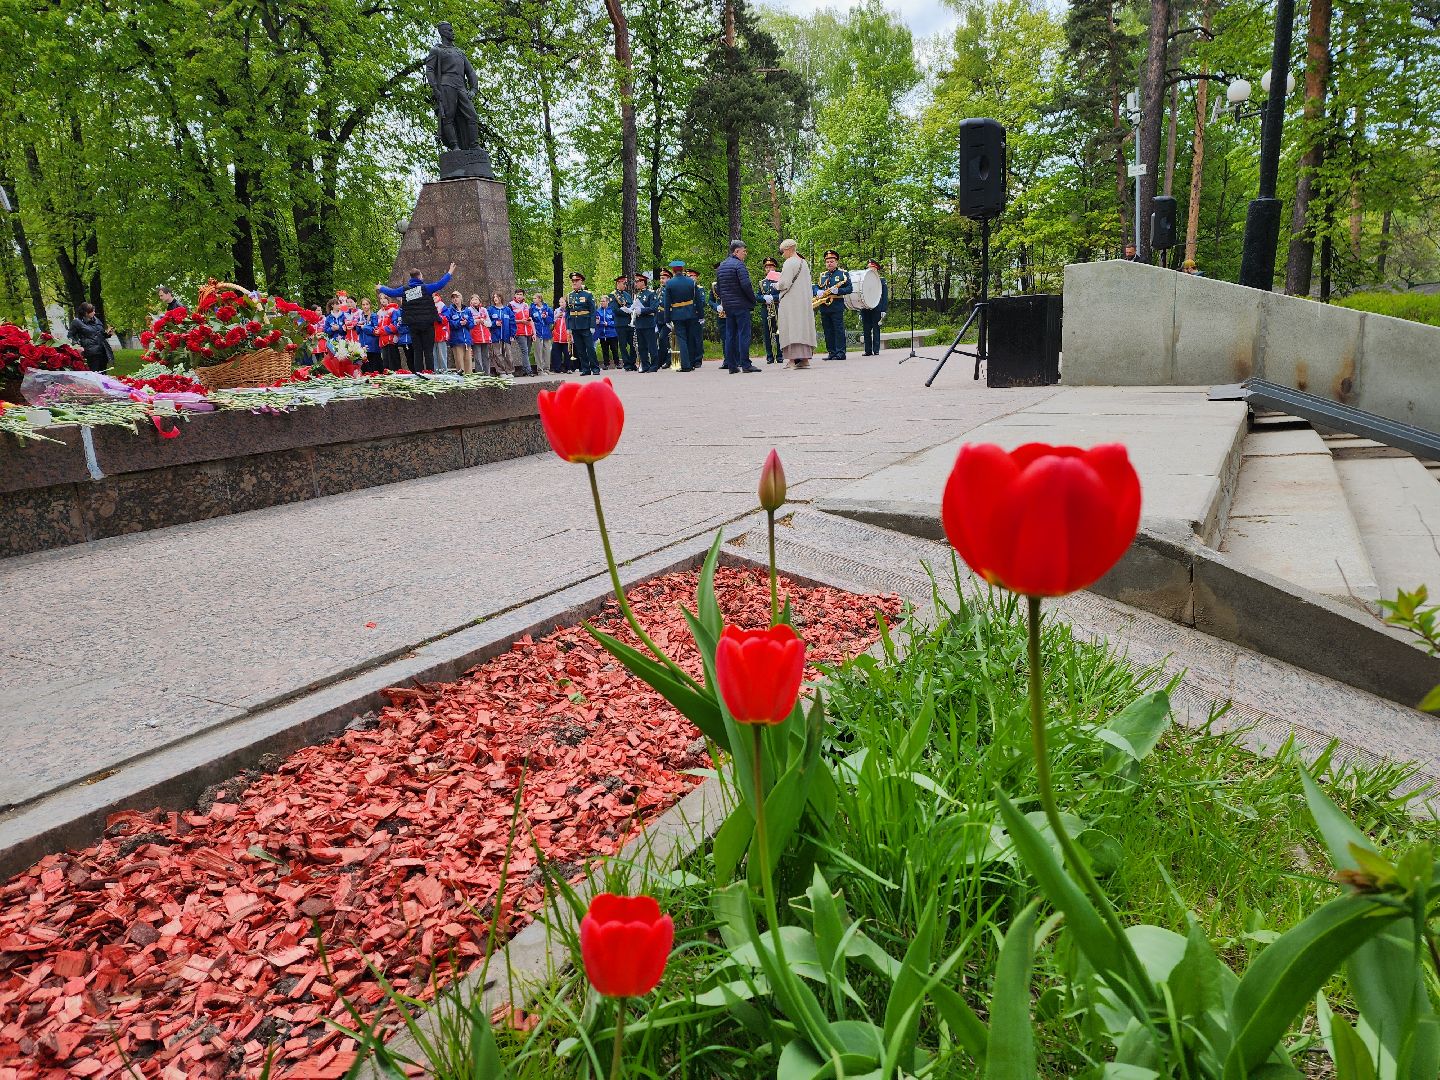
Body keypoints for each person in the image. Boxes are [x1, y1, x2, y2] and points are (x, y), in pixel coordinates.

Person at [377, 263, 454, 372]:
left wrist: (381, 287)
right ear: (420, 276)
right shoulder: (426, 288)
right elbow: (440, 284)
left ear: (411, 278)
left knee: (417, 351)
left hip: (413, 325)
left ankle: (418, 372)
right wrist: (449, 272)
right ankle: (430, 372)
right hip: (427, 324)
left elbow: (392, 292)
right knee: (428, 351)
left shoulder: (405, 289)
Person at [715, 239, 760, 375]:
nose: (745, 254)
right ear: (736, 251)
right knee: (743, 334)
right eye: (743, 251)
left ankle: (732, 366)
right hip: (741, 305)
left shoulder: (721, 266)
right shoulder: (739, 266)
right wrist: (753, 300)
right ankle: (745, 364)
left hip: (728, 306)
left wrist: (725, 301)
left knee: (730, 335)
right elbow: (746, 285)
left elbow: (718, 287)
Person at [776, 239, 817, 369]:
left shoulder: (789, 263)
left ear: (788, 249)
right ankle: (805, 359)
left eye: (783, 252)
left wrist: (775, 284)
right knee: (803, 327)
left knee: (791, 327)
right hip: (804, 301)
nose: (782, 255)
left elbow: (784, 283)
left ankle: (792, 360)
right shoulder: (803, 263)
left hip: (791, 302)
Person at [662, 260, 702, 372]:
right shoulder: (691, 282)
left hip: (677, 314)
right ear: (682, 270)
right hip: (691, 313)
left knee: (682, 339)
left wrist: (667, 318)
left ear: (673, 271)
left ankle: (686, 365)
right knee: (690, 338)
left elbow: (667, 303)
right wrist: (701, 315)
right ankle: (692, 362)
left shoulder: (669, 283)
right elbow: (698, 300)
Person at [815, 249, 852, 361]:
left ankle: (841, 353)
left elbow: (850, 288)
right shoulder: (822, 275)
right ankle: (831, 352)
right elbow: (817, 286)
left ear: (836, 262)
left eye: (832, 261)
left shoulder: (843, 274)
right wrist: (817, 291)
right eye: (827, 261)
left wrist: (838, 291)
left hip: (836, 305)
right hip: (824, 305)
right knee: (828, 330)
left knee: (838, 329)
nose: (829, 263)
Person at [566, 272, 599, 376]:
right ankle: (585, 369)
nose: (574, 283)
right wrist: (568, 327)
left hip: (586, 325)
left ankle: (595, 368)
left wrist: (592, 325)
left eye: (576, 281)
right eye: (573, 281)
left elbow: (593, 311)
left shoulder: (588, 295)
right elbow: (567, 313)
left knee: (590, 348)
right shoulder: (569, 295)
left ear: (581, 281)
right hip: (575, 326)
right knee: (580, 349)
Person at [68, 303, 114, 372]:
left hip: (103, 351)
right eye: (92, 311)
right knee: (94, 373)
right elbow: (70, 336)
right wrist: (77, 345)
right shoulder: (77, 322)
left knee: (103, 373)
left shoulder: (96, 320)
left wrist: (107, 334)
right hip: (90, 352)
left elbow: (99, 334)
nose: (94, 313)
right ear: (86, 313)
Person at [859, 258, 889, 357]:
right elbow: (861, 295)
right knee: (866, 330)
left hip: (877, 308)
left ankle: (876, 350)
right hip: (866, 308)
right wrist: (860, 310)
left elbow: (884, 296)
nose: (870, 270)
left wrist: (883, 309)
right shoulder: (864, 281)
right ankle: (868, 350)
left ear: (876, 269)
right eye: (869, 268)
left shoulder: (881, 281)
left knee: (876, 329)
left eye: (872, 268)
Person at [632, 272, 661, 372]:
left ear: (643, 282)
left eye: (637, 281)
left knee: (652, 345)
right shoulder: (638, 294)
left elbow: (654, 308)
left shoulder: (651, 293)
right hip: (639, 323)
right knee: (642, 346)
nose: (635, 283)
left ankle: (654, 365)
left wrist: (642, 310)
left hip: (648, 322)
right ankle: (645, 365)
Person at [610, 276, 637, 371]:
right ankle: (627, 364)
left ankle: (632, 362)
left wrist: (631, 310)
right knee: (623, 345)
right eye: (623, 283)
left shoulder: (627, 294)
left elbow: (631, 305)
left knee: (633, 344)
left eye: (625, 283)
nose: (625, 285)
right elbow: (615, 310)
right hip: (620, 323)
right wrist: (626, 311)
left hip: (630, 322)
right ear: (618, 283)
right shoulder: (613, 295)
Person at [758, 257, 781, 364]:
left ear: (775, 268)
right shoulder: (762, 283)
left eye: (771, 266)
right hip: (766, 309)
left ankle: (780, 355)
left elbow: (783, 294)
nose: (769, 269)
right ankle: (769, 355)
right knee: (767, 334)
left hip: (778, 308)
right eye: (767, 267)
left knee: (779, 332)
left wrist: (774, 298)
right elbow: (757, 296)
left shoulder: (780, 280)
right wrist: (764, 298)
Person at [446, 290, 474, 373]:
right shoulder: (449, 310)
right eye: (453, 298)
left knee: (468, 362)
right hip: (456, 340)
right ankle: (461, 379)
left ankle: (469, 379)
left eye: (457, 297)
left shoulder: (467, 310)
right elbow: (449, 323)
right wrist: (459, 323)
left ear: (461, 298)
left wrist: (466, 323)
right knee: (459, 363)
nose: (455, 299)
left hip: (467, 340)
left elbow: (472, 324)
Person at [488, 291, 515, 374]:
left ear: (501, 298)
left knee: (508, 355)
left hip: (506, 336)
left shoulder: (507, 310)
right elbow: (487, 322)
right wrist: (494, 324)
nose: (495, 298)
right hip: (495, 336)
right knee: (497, 354)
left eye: (497, 297)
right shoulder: (490, 309)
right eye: (494, 297)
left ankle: (510, 371)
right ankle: (501, 371)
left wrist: (512, 334)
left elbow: (512, 323)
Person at [510, 289, 536, 375]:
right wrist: (521, 321)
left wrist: (534, 332)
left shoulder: (526, 305)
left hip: (528, 331)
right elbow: (511, 320)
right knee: (524, 350)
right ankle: (529, 371)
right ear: (515, 295)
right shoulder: (511, 305)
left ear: (523, 296)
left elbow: (531, 319)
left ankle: (525, 370)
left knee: (527, 351)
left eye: (521, 294)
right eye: (518, 294)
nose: (519, 296)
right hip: (519, 331)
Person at [596, 287, 619, 370]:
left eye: (603, 301)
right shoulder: (598, 311)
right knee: (604, 350)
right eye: (601, 301)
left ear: (608, 302)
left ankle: (617, 363)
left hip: (612, 333)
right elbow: (597, 320)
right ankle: (606, 364)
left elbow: (615, 321)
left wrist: (608, 323)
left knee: (614, 349)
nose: (602, 303)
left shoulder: (612, 310)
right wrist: (598, 322)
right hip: (602, 334)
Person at [468, 294, 492, 374]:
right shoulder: (468, 310)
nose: (474, 301)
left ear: (479, 301)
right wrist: (476, 321)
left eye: (476, 300)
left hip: (485, 336)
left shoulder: (484, 310)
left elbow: (490, 323)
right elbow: (469, 323)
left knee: (486, 356)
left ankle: (487, 374)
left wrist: (483, 321)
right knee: (477, 357)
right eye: (473, 300)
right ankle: (480, 374)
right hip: (475, 336)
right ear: (470, 302)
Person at [655, 268, 673, 369]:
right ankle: (662, 360)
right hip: (659, 318)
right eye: (661, 278)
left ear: (669, 279)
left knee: (663, 339)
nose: (661, 280)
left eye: (664, 278)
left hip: (668, 318)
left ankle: (667, 359)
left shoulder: (670, 290)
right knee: (661, 340)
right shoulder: (658, 290)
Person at [359, 298, 382, 372]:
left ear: (370, 305)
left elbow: (375, 330)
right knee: (365, 369)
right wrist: (357, 326)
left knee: (374, 368)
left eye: (367, 304)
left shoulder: (374, 316)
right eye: (363, 304)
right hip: (363, 346)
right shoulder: (360, 317)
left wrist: (364, 327)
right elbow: (358, 331)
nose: (365, 306)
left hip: (373, 345)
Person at [378, 300, 402, 370]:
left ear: (388, 300)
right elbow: (377, 325)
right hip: (383, 341)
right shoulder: (379, 313)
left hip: (391, 341)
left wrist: (381, 330)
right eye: (381, 298)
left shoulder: (393, 310)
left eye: (384, 298)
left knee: (394, 364)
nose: (382, 300)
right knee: (386, 365)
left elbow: (395, 326)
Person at [550, 297, 571, 373]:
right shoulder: (556, 311)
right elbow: (552, 321)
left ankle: (568, 368)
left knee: (567, 353)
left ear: (566, 303)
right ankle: (557, 368)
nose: (561, 304)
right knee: (556, 352)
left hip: (566, 335)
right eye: (560, 302)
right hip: (557, 335)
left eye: (562, 302)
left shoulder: (570, 311)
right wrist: (556, 316)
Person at [531, 293, 554, 357]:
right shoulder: (532, 309)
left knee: (547, 351)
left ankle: (547, 367)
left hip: (546, 332)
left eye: (535, 298)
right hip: (537, 332)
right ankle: (539, 367)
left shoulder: (548, 309)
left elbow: (552, 320)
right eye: (533, 298)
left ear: (540, 299)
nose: (533, 300)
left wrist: (546, 317)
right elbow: (530, 321)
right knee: (538, 351)